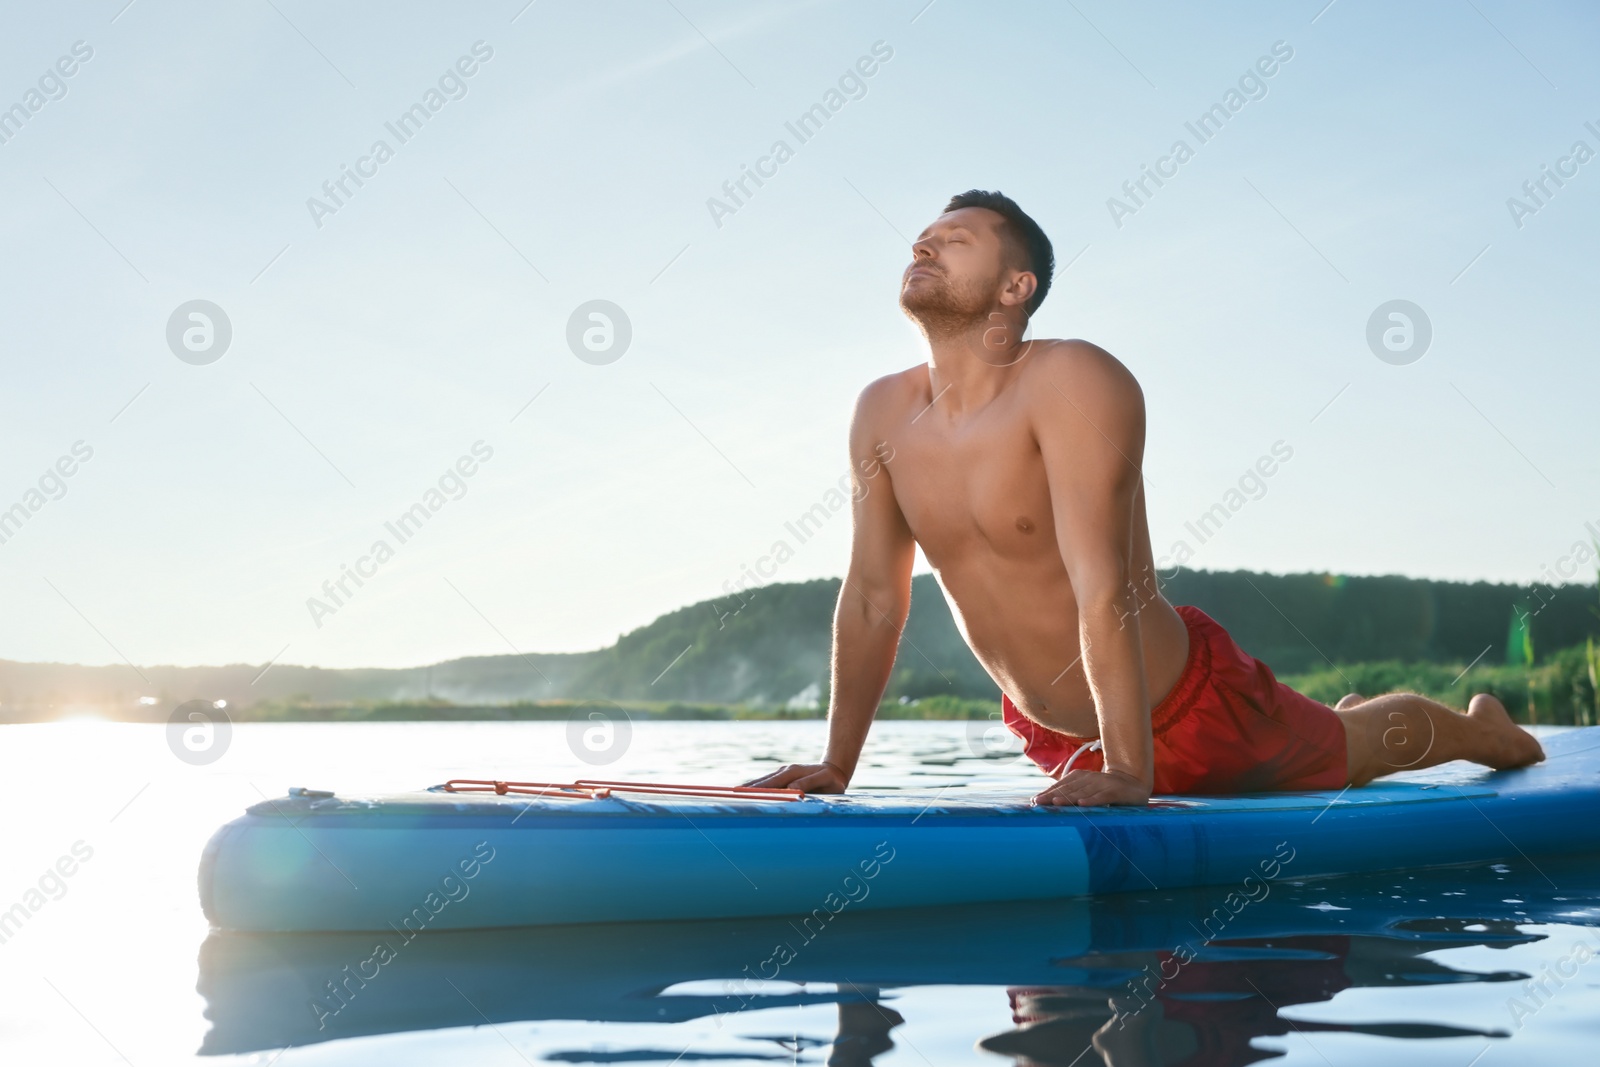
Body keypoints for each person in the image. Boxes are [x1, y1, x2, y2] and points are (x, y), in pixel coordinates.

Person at [746, 189, 1544, 807]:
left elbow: (1109, 587)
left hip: (1183, 708)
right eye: (924, 236)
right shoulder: (881, 412)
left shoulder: (1070, 380)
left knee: (1354, 747)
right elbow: (875, 598)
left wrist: (1134, 768)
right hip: (1060, 733)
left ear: (1014, 287)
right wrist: (835, 764)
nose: (925, 243)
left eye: (957, 239)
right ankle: (1333, 715)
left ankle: (1491, 732)